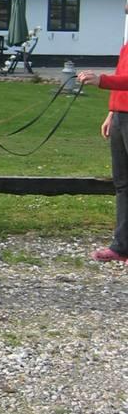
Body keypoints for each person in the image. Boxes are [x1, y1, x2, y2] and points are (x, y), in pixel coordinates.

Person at [78, 29, 128, 261]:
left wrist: (101, 81)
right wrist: (112, 111)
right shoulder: (126, 46)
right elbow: (123, 75)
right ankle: (122, 246)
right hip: (121, 116)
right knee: (123, 184)